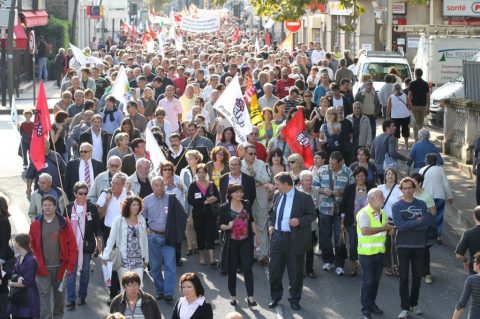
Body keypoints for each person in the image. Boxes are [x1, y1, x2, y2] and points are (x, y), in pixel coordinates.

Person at [267, 172, 316, 311]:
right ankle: (275, 297)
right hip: (277, 238)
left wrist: (299, 221)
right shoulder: (277, 195)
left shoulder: (303, 197)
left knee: (295, 273)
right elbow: (271, 212)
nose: (275, 187)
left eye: (277, 184)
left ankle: (295, 299)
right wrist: (271, 225)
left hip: (294, 239)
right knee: (274, 270)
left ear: (286, 184)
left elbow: (312, 214)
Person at [29, 195, 78, 319]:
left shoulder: (64, 223)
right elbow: (31, 244)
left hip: (61, 268)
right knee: (43, 295)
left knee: (59, 297)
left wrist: (70, 266)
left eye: (50, 205)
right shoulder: (35, 223)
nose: (47, 207)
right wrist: (36, 260)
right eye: (45, 205)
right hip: (42, 268)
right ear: (42, 207)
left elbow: (72, 246)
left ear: (55, 206)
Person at [392, 177, 431, 319]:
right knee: (403, 278)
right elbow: (399, 226)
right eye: (405, 188)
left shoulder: (421, 204)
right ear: (401, 190)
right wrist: (416, 221)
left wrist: (409, 223)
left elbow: (425, 225)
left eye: (410, 187)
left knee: (417, 278)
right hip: (402, 246)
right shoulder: (396, 206)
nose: (408, 190)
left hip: (419, 245)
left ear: (414, 189)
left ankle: (414, 304)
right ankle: (404, 308)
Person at [143, 176, 187, 302]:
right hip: (153, 237)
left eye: (161, 185)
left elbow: (182, 215)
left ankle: (168, 293)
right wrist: (146, 227)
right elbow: (140, 218)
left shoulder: (172, 198)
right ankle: (160, 290)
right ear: (152, 186)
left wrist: (177, 231)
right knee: (155, 267)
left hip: (169, 238)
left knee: (170, 266)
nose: (159, 188)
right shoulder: (146, 200)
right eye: (156, 185)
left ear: (164, 186)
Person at [218, 184, 260, 307]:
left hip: (246, 241)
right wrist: (227, 226)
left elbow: (251, 220)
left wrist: (257, 235)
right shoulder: (224, 207)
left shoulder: (246, 204)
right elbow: (220, 224)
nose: (239, 194)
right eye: (236, 192)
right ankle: (233, 296)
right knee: (232, 270)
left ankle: (250, 297)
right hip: (231, 242)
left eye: (241, 192)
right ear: (230, 194)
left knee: (248, 268)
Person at [356, 189, 395, 319]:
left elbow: (385, 228)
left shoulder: (383, 213)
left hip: (379, 253)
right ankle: (365, 310)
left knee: (375, 281)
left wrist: (390, 230)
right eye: (380, 196)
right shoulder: (364, 213)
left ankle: (371, 304)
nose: (383, 198)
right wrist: (385, 228)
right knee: (368, 282)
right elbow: (366, 231)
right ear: (372, 199)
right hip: (366, 254)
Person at [314, 151, 354, 275]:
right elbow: (315, 185)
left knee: (339, 236)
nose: (331, 166)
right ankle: (327, 260)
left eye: (334, 164)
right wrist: (323, 191)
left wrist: (342, 192)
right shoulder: (322, 170)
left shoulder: (348, 172)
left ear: (341, 162)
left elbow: (353, 189)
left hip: (340, 210)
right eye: (330, 163)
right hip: (324, 208)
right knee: (325, 235)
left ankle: (340, 264)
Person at [65, 182, 102, 308]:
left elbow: (97, 227)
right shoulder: (68, 208)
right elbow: (62, 228)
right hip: (71, 246)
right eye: (80, 193)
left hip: (86, 245)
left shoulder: (92, 208)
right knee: (71, 272)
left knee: (85, 272)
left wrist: (99, 242)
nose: (83, 196)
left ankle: (82, 296)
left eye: (85, 193)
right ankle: (71, 299)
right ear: (75, 194)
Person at [97, 172, 131, 304]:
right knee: (110, 263)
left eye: (117, 183)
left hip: (124, 231)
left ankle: (125, 293)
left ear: (123, 185)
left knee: (123, 262)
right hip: (108, 231)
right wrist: (107, 202)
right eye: (112, 183)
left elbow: (133, 212)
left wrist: (128, 195)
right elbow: (99, 215)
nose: (113, 185)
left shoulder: (128, 195)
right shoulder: (105, 194)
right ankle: (113, 293)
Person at [102, 196, 148, 286]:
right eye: (133, 205)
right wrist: (105, 256)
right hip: (123, 260)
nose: (136, 207)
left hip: (139, 259)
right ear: (127, 206)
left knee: (139, 287)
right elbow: (111, 239)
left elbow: (144, 240)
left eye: (138, 205)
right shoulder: (118, 220)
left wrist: (146, 259)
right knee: (125, 287)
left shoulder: (142, 219)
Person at [341, 166, 374, 277]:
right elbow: (343, 206)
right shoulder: (349, 188)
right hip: (351, 222)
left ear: (366, 177)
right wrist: (342, 221)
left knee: (365, 243)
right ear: (354, 177)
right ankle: (354, 264)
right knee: (354, 241)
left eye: (362, 175)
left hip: (368, 222)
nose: (360, 178)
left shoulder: (371, 188)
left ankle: (366, 264)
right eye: (358, 176)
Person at [187, 164, 220, 266]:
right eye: (199, 172)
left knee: (210, 235)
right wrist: (203, 202)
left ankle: (211, 257)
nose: (201, 174)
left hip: (210, 214)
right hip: (198, 215)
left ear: (206, 173)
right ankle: (201, 256)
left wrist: (214, 199)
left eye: (203, 172)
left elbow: (218, 198)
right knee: (200, 235)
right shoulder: (193, 185)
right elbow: (190, 200)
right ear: (196, 173)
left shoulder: (211, 184)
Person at [420, 153, 453, 244]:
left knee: (427, 216)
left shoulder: (422, 170)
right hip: (439, 196)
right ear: (435, 161)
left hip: (426, 197)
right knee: (438, 216)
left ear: (426, 161)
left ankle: (426, 233)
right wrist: (450, 196)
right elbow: (446, 184)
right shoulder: (440, 170)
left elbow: (418, 184)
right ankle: (438, 236)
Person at [7, 234, 40, 319]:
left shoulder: (31, 260)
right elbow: (13, 274)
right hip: (17, 297)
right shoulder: (18, 258)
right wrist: (18, 277)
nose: (14, 244)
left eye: (15, 242)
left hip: (27, 299)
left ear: (18, 244)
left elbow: (27, 282)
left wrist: (11, 284)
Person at [411, 173, 436, 284]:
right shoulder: (408, 193)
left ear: (420, 183)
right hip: (410, 227)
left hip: (423, 228)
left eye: (414, 182)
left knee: (424, 250)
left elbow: (434, 212)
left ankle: (426, 273)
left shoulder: (426, 196)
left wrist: (423, 215)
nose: (411, 184)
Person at [378, 168, 403, 276]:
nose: (390, 176)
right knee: (386, 244)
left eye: (392, 174)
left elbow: (402, 204)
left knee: (395, 244)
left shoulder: (398, 189)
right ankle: (387, 266)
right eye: (388, 174)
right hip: (383, 220)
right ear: (385, 176)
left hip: (395, 220)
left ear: (395, 176)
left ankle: (397, 266)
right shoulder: (380, 188)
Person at [297, 170, 320, 278]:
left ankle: (310, 270)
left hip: (312, 225)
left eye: (310, 180)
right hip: (300, 225)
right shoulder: (297, 192)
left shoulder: (315, 191)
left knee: (310, 249)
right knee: (300, 248)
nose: (309, 182)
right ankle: (299, 270)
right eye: (306, 180)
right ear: (301, 181)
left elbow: (317, 207)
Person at [452, 251, 480, 319]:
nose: (473, 262)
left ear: (479, 264)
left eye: (474, 260)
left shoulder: (472, 280)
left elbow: (461, 304)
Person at [0, 197, 14, 319]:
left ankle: (4, 315)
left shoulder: (3, 221)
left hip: (2, 260)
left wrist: (1, 259)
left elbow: (4, 242)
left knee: (3, 289)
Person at [456, 206, 480, 275]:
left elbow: (459, 255)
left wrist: (465, 261)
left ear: (474, 217)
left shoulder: (468, 233)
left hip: (475, 268)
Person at [387, 83, 412, 149]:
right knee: (405, 129)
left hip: (395, 117)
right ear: (400, 88)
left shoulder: (391, 97)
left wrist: (388, 116)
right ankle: (406, 145)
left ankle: (396, 145)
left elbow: (388, 108)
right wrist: (408, 109)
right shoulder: (405, 96)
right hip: (405, 115)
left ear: (394, 89)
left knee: (396, 131)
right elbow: (410, 105)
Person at [408, 68, 430, 141]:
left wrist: (409, 104)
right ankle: (419, 137)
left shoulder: (412, 83)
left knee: (416, 122)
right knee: (420, 122)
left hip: (414, 105)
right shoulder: (425, 84)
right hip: (422, 106)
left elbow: (409, 95)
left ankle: (417, 138)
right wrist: (428, 106)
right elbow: (427, 96)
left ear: (415, 74)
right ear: (421, 74)